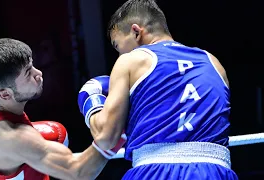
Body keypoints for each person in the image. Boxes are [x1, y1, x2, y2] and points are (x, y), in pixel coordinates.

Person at [77, 0, 238, 179]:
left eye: (118, 45)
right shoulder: (214, 63)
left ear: (136, 32)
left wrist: (92, 102)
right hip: (216, 172)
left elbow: (106, 138)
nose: (120, 54)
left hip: (155, 171)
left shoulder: (131, 60)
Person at [0, 38, 124, 180]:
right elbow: (78, 172)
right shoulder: (16, 138)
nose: (39, 74)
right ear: (5, 95)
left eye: (32, 66)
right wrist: (116, 137)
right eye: (28, 73)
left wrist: (3, 156)